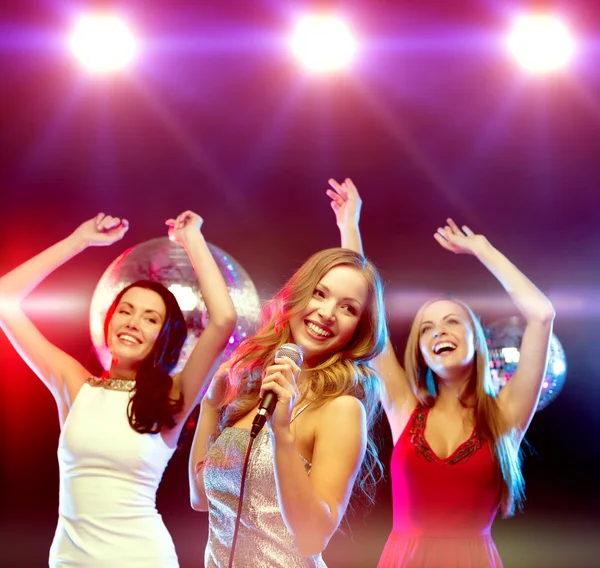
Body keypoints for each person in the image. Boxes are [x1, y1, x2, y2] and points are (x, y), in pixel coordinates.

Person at [326, 178, 555, 568]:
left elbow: (542, 314)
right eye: (427, 328)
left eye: (451, 322)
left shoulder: (505, 417)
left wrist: (483, 250)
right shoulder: (403, 406)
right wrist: (350, 227)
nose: (439, 333)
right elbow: (368, 314)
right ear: (420, 350)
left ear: (476, 339)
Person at [0, 211, 237, 567]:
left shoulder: (172, 397)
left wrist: (192, 240)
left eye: (150, 318)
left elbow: (223, 320)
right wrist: (78, 240)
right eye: (126, 310)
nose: (133, 323)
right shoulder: (76, 386)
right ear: (108, 321)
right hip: (69, 560)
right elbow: (5, 299)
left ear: (164, 337)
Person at [189, 247, 389, 567]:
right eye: (319, 293)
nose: (327, 312)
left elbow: (312, 537)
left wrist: (281, 433)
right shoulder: (255, 391)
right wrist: (210, 406)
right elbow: (200, 498)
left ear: (359, 329)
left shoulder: (342, 409)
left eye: (347, 308)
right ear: (296, 295)